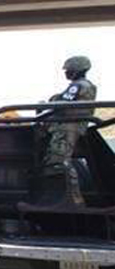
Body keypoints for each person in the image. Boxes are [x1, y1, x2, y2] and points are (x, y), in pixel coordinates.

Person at [34, 55, 97, 208]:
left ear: (76, 70)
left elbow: (63, 103)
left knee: (59, 162)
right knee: (56, 161)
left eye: (68, 70)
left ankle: (74, 200)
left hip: (67, 128)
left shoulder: (79, 85)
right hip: (67, 126)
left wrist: (49, 102)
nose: (66, 73)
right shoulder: (82, 85)